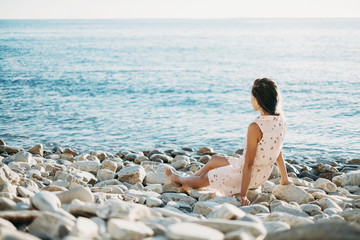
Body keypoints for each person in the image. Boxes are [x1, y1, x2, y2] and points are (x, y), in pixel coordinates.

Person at [165, 78, 292, 206]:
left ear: (258, 100)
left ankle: (179, 179)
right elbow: (278, 151)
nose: (250, 100)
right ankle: (189, 180)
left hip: (245, 175)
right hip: (261, 174)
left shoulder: (256, 127)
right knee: (214, 159)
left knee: (204, 179)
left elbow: (248, 164)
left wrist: (243, 195)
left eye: (252, 97)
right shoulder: (281, 121)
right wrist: (284, 179)